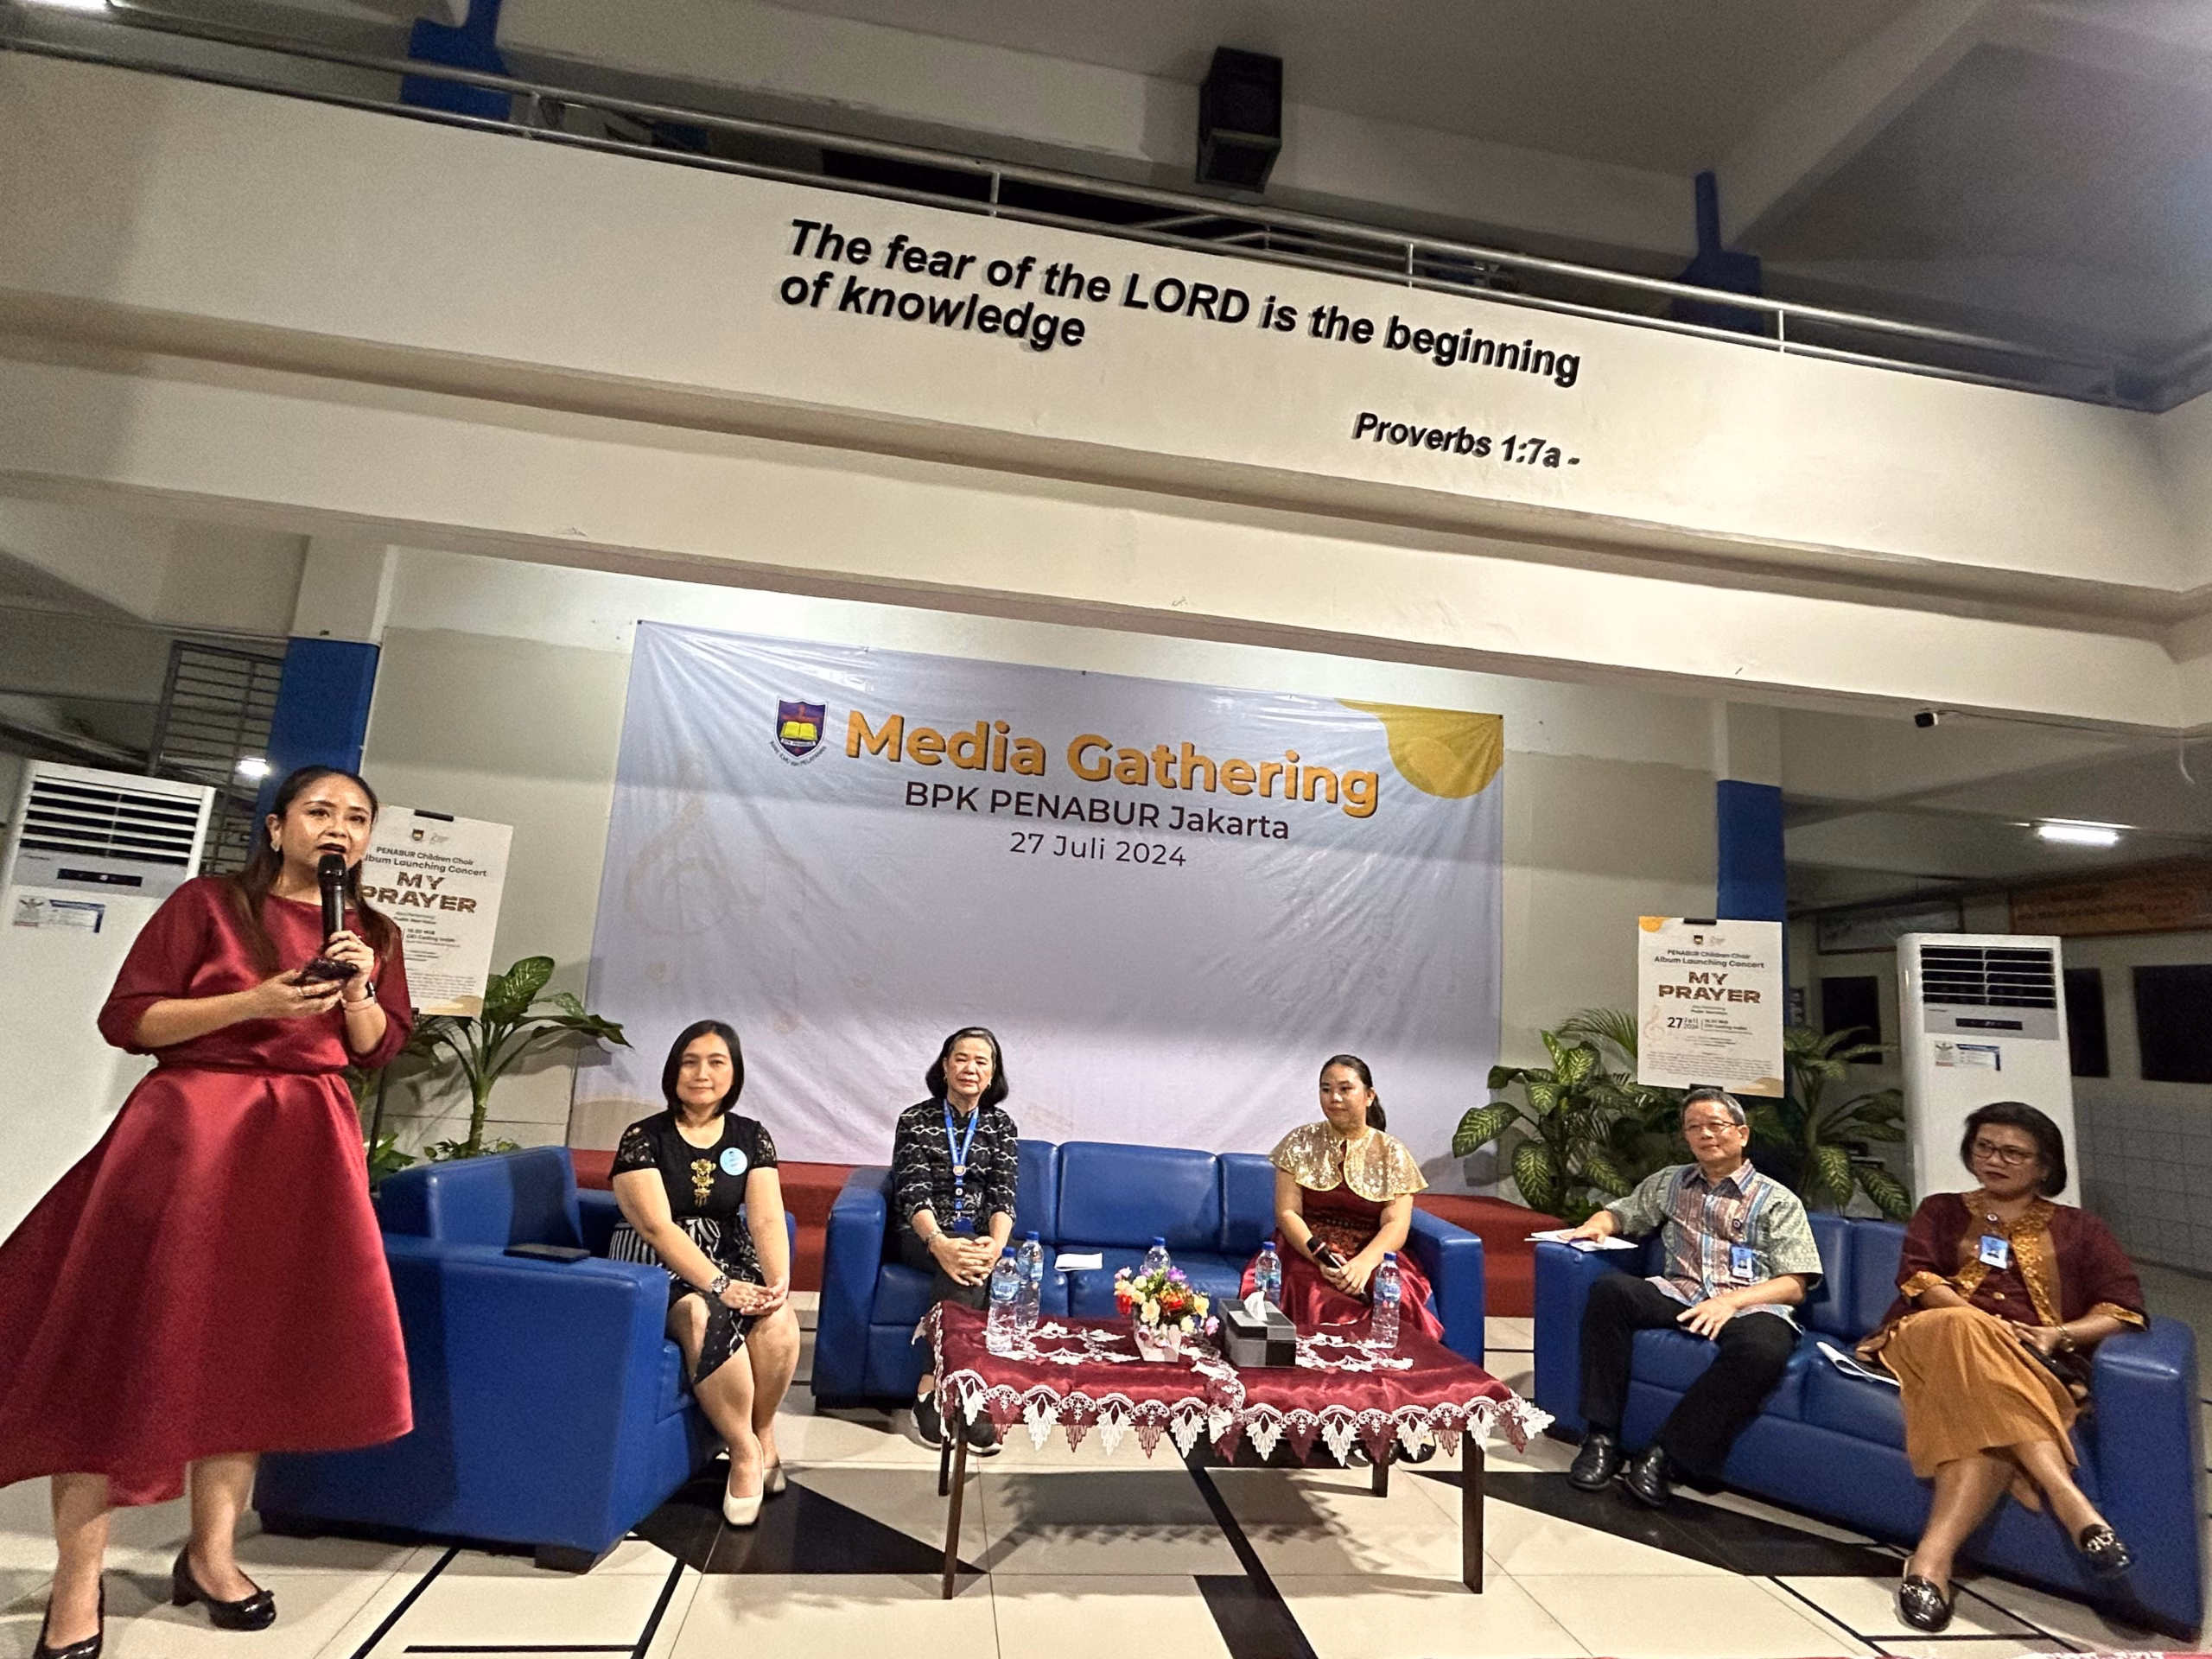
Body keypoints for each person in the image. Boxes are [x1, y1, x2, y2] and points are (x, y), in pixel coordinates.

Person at [0, 766, 416, 1659]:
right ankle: (77, 1582)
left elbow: (375, 1047)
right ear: (276, 827)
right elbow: (130, 1021)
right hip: (189, 1135)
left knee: (248, 1348)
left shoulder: (373, 931)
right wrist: (259, 1002)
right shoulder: (208, 905)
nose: (338, 829)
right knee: (121, 1345)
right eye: (319, 811)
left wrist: (357, 991)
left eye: (356, 818)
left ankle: (211, 1556)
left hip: (304, 1143)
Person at [1857, 1102, 2144, 1633]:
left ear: (2044, 1166)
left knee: (1979, 1418)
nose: (1994, 1160)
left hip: (2032, 1359)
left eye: (2013, 1153)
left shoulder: (2082, 1229)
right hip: (1927, 1336)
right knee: (1961, 1325)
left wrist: (2060, 1334)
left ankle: (1930, 1562)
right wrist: (1981, 1323)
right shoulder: (1941, 1210)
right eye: (1985, 1148)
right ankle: (2068, 1498)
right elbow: (1919, 1280)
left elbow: (2123, 1310)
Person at [1563, 1086, 1823, 1509]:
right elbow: (1622, 1212)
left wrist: (1731, 1303)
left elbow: (1795, 1283)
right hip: (1680, 1292)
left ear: (1742, 1134)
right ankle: (1600, 1438)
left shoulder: (1777, 1200)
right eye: (1694, 1127)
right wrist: (1599, 1224)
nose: (1705, 1134)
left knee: (1764, 1349)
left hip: (1749, 1304)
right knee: (1611, 1292)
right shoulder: (1671, 1182)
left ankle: (1664, 1456)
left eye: (1716, 1125)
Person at [608, 1020, 800, 1528]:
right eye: (690, 1062)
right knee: (701, 1313)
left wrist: (777, 1281)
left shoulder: (751, 1136)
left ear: (733, 1074)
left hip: (730, 1253)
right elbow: (656, 1227)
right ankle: (742, 1450)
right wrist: (720, 1285)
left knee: (779, 1321)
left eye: (717, 1063)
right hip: (658, 1265)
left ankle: (762, 1431)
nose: (702, 1073)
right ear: (673, 1070)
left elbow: (765, 1218)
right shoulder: (643, 1137)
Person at [1246, 1054, 1443, 1341]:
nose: (1334, 1098)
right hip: (1307, 1248)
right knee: (1318, 1296)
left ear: (1369, 1096)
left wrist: (1364, 1264)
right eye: (1326, 1089)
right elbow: (1288, 1213)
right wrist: (1321, 1259)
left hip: (1372, 1251)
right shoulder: (1299, 1142)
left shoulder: (1393, 1152)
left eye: (1345, 1089)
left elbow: (1396, 1224)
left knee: (1392, 1293)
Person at [892, 1027, 1020, 1455]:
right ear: (945, 1066)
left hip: (978, 1239)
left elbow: (1003, 1195)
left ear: (992, 1074)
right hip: (921, 1233)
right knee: (964, 1267)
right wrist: (939, 1243)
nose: (970, 1068)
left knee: (973, 1264)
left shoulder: (1001, 1126)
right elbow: (913, 1192)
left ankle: (950, 1390)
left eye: (981, 1061)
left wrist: (995, 1246)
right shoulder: (915, 1120)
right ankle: (942, 1389)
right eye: (961, 1058)